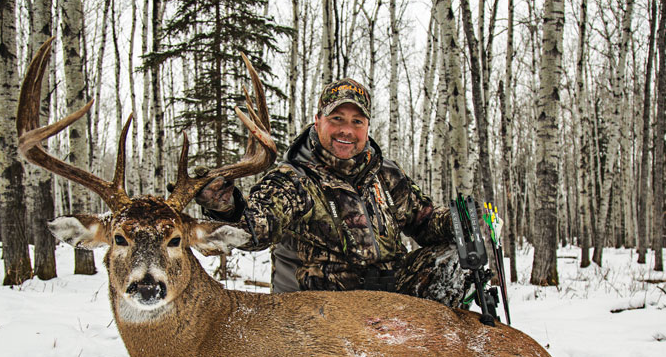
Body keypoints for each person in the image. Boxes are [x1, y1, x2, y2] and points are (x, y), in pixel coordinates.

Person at [196, 78, 466, 307]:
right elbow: (256, 228)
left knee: (455, 255)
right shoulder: (292, 180)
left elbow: (425, 221)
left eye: (357, 121)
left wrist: (462, 221)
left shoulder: (386, 174)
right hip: (319, 312)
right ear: (318, 121)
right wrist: (227, 207)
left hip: (386, 298)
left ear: (367, 126)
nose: (347, 130)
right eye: (337, 119)